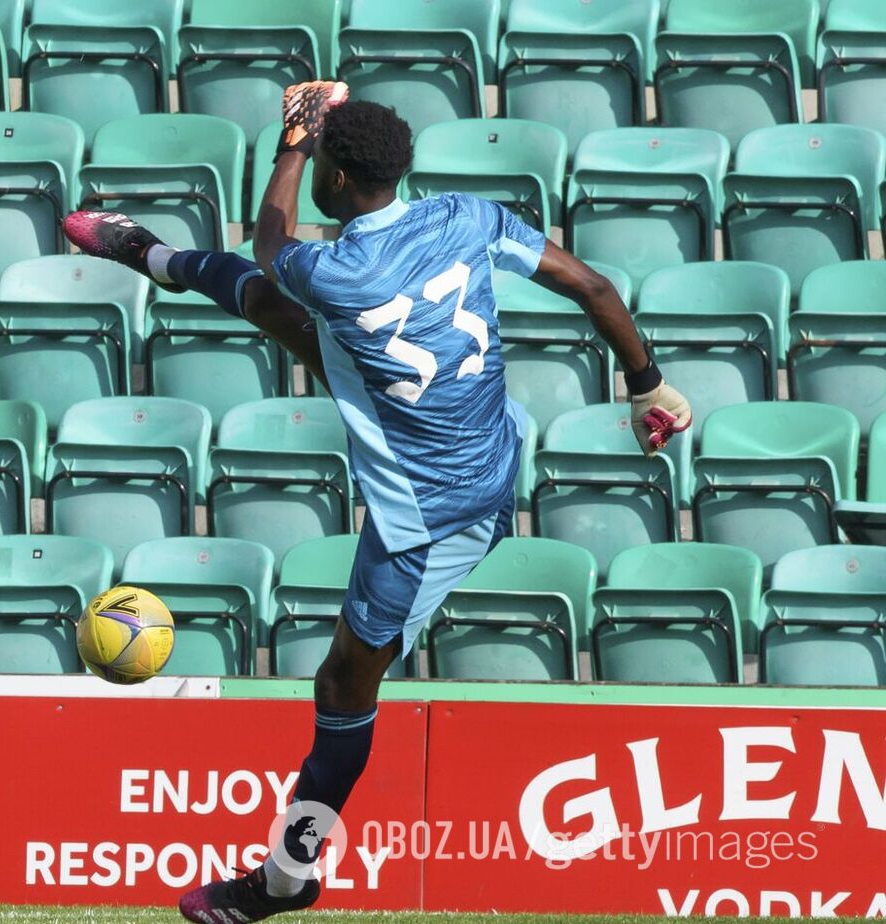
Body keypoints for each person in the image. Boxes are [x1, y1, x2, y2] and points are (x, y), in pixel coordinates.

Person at [65, 83, 692, 923]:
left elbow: (271, 236)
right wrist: (650, 384)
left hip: (429, 519)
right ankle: (145, 251)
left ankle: (284, 879)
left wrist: (292, 139)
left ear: (336, 178)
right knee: (270, 306)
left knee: (341, 688)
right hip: (486, 440)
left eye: (321, 164)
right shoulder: (466, 216)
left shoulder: (337, 268)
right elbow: (596, 287)